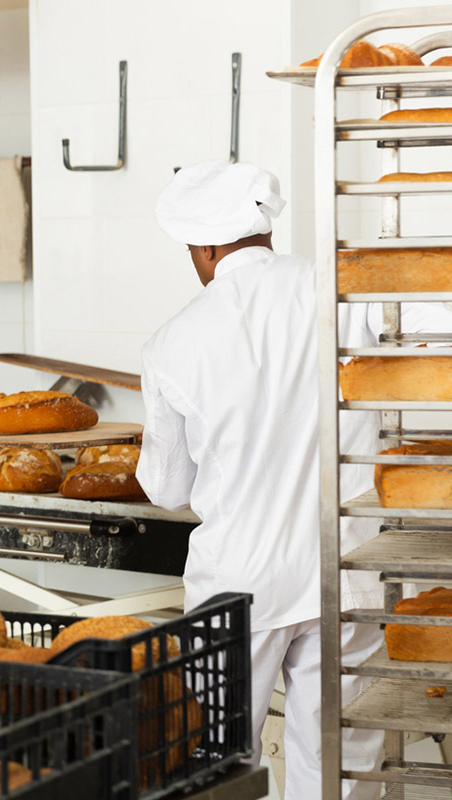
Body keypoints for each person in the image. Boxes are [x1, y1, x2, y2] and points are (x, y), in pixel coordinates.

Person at [137, 160, 418, 799]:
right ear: (263, 229)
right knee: (337, 761)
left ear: (204, 247)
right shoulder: (337, 287)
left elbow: (168, 489)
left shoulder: (174, 340)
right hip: (343, 568)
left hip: (241, 581)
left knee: (212, 762)